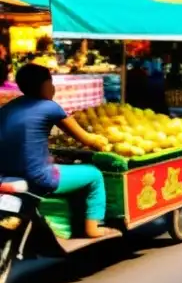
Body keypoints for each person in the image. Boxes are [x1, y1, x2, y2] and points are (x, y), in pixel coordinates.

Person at [0, 65, 114, 238]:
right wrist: (104, 144)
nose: (53, 88)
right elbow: (87, 139)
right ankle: (93, 228)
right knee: (94, 175)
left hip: (7, 175)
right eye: (51, 82)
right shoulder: (50, 107)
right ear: (44, 85)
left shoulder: (8, 108)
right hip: (40, 178)